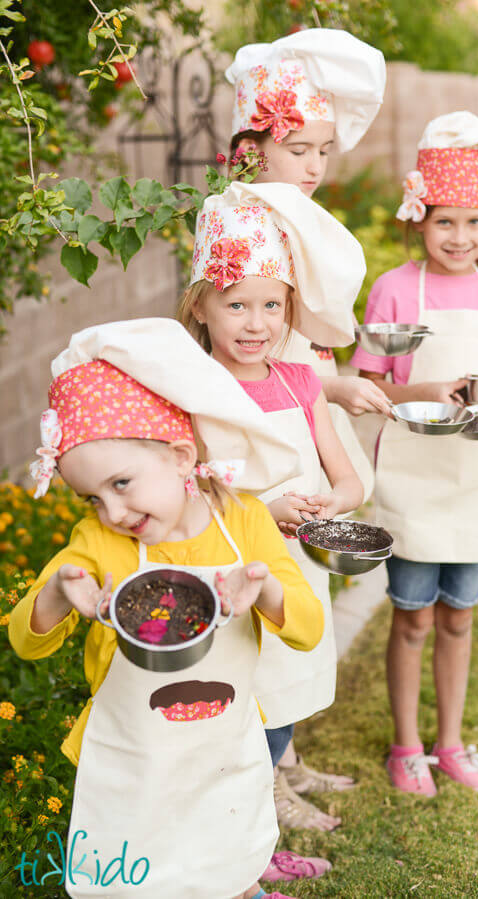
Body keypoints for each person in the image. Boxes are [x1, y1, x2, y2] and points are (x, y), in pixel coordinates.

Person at [9, 318, 326, 899]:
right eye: (93, 497)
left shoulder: (246, 522)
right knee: (146, 873)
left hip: (221, 740)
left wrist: (267, 589)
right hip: (135, 756)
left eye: (122, 483)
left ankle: (239, 885)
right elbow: (26, 642)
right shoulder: (97, 544)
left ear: (182, 457)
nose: (112, 510)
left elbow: (307, 629)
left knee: (220, 843)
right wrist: (56, 593)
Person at [351, 111, 478, 796]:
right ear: (417, 220)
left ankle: (452, 743)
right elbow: (369, 382)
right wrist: (431, 388)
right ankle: (407, 746)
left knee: (458, 617)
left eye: (474, 223)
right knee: (412, 618)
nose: (459, 238)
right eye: (444, 223)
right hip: (419, 474)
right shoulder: (396, 289)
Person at [224, 31, 391, 830]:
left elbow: (296, 343)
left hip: (301, 412)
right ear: (252, 145)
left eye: (324, 148)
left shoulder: (294, 213)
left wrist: (328, 386)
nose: (316, 164)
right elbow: (247, 353)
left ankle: (285, 759)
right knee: (268, 627)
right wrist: (335, 382)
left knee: (303, 615)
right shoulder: (241, 218)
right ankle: (267, 778)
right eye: (299, 147)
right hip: (264, 433)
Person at [178, 180, 369, 834]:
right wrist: (267, 507)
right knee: (242, 693)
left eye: (270, 305)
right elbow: (191, 489)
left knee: (288, 681)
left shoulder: (301, 380)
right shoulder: (195, 389)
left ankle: (272, 785)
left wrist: (326, 505)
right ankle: (250, 817)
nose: (256, 323)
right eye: (237, 304)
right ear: (201, 306)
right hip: (232, 572)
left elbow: (347, 480)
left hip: (296, 563)